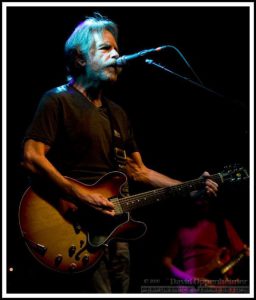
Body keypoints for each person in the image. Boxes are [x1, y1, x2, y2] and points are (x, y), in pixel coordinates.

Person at [21, 13, 218, 293]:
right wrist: (80, 194)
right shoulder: (57, 100)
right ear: (80, 59)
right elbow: (31, 157)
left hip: (115, 228)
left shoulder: (118, 114)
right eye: (106, 48)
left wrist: (189, 187)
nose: (117, 55)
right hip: (70, 225)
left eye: (117, 49)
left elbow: (137, 170)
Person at [162, 196, 249, 293]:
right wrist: (191, 279)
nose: (202, 201)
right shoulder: (180, 227)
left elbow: (242, 253)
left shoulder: (222, 224)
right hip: (192, 288)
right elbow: (166, 262)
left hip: (221, 287)